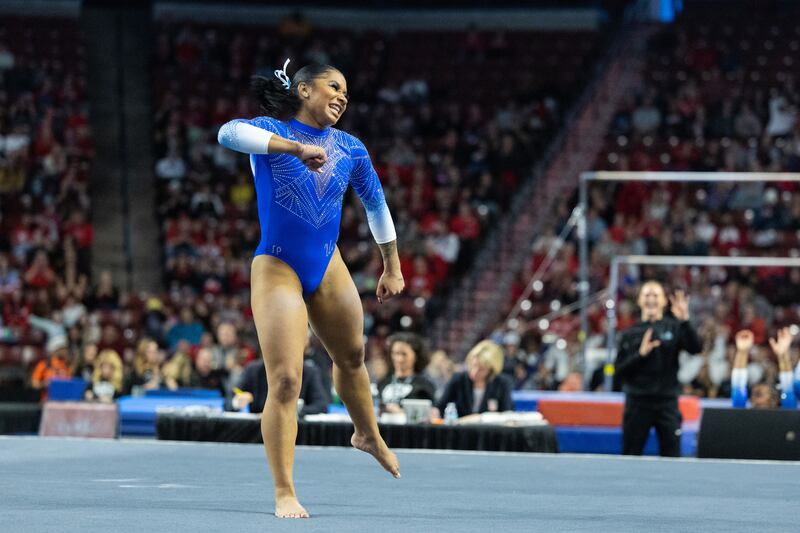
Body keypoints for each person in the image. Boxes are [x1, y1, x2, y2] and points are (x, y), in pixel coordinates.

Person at [217, 59, 403, 518]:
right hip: (278, 264)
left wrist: (392, 266)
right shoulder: (271, 132)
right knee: (285, 380)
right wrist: (295, 148)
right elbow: (227, 133)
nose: (342, 96)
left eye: (347, 92)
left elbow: (376, 205)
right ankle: (284, 491)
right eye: (333, 87)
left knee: (353, 356)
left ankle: (367, 434)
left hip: (327, 262)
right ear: (303, 89)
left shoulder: (350, 147)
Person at [615, 281, 702, 457]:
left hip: (667, 403)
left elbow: (696, 348)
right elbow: (618, 370)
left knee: (672, 457)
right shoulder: (629, 333)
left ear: (664, 301)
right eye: (647, 295)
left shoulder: (675, 327)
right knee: (630, 455)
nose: (651, 299)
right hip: (637, 402)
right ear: (639, 300)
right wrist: (640, 355)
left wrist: (685, 320)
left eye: (656, 295)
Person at [434, 340, 514, 418]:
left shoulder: (502, 383)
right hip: (461, 426)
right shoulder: (459, 379)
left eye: (481, 369)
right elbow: (439, 406)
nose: (475, 372)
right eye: (473, 365)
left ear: (491, 370)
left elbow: (507, 413)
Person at [233, 357, 328, 416]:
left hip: (296, 429)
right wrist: (237, 401)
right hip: (257, 429)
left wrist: (295, 410)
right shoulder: (253, 370)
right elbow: (231, 399)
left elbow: (321, 405)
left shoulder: (309, 372)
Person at [731, 327, 796, 409]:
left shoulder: (787, 412)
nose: (755, 398)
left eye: (759, 394)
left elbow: (788, 387)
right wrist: (742, 351)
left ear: (774, 400)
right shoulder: (742, 413)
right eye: (754, 394)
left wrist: (783, 355)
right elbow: (738, 387)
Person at [376, 332, 435, 413]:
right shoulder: (382, 382)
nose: (399, 359)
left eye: (404, 354)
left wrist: (400, 412)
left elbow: (426, 413)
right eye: (395, 353)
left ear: (416, 356)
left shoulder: (424, 387)